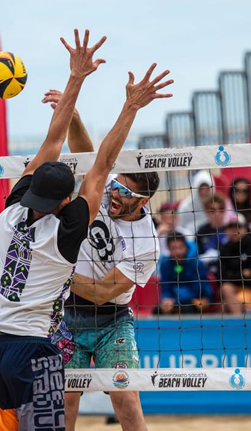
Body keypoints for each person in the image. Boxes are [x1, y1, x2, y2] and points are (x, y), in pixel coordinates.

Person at [0, 29, 172, 431]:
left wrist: (74, 81)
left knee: (124, 404)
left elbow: (53, 142)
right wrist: (130, 106)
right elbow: (99, 165)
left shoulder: (8, 216)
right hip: (35, 347)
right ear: (67, 203)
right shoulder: (65, 238)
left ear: (28, 189)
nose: (111, 192)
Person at [41, 87, 163, 431]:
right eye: (116, 186)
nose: (114, 194)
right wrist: (75, 117)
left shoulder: (147, 242)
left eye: (124, 193)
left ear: (142, 202)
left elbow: (101, 292)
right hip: (69, 314)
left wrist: (56, 269)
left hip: (112, 319)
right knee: (63, 397)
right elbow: (86, 153)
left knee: (124, 396)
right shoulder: (110, 188)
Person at [217, 215, 251, 314]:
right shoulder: (224, 249)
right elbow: (221, 278)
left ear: (245, 229)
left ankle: (239, 324)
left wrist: (233, 276)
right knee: (226, 290)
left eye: (238, 227)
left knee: (227, 305)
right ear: (226, 231)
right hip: (234, 291)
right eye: (231, 228)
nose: (234, 231)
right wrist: (243, 275)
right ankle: (239, 324)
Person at [158, 232, 212, 314]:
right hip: (175, 300)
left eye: (180, 247)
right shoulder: (165, 264)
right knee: (158, 311)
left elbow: (197, 290)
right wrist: (166, 299)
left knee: (186, 309)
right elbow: (165, 287)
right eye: (174, 248)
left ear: (186, 247)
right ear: (169, 249)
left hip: (199, 299)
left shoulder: (197, 264)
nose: (178, 252)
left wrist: (175, 301)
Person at [176, 170, 214, 235]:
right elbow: (179, 228)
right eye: (201, 189)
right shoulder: (185, 207)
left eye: (207, 189)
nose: (204, 192)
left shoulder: (218, 206)